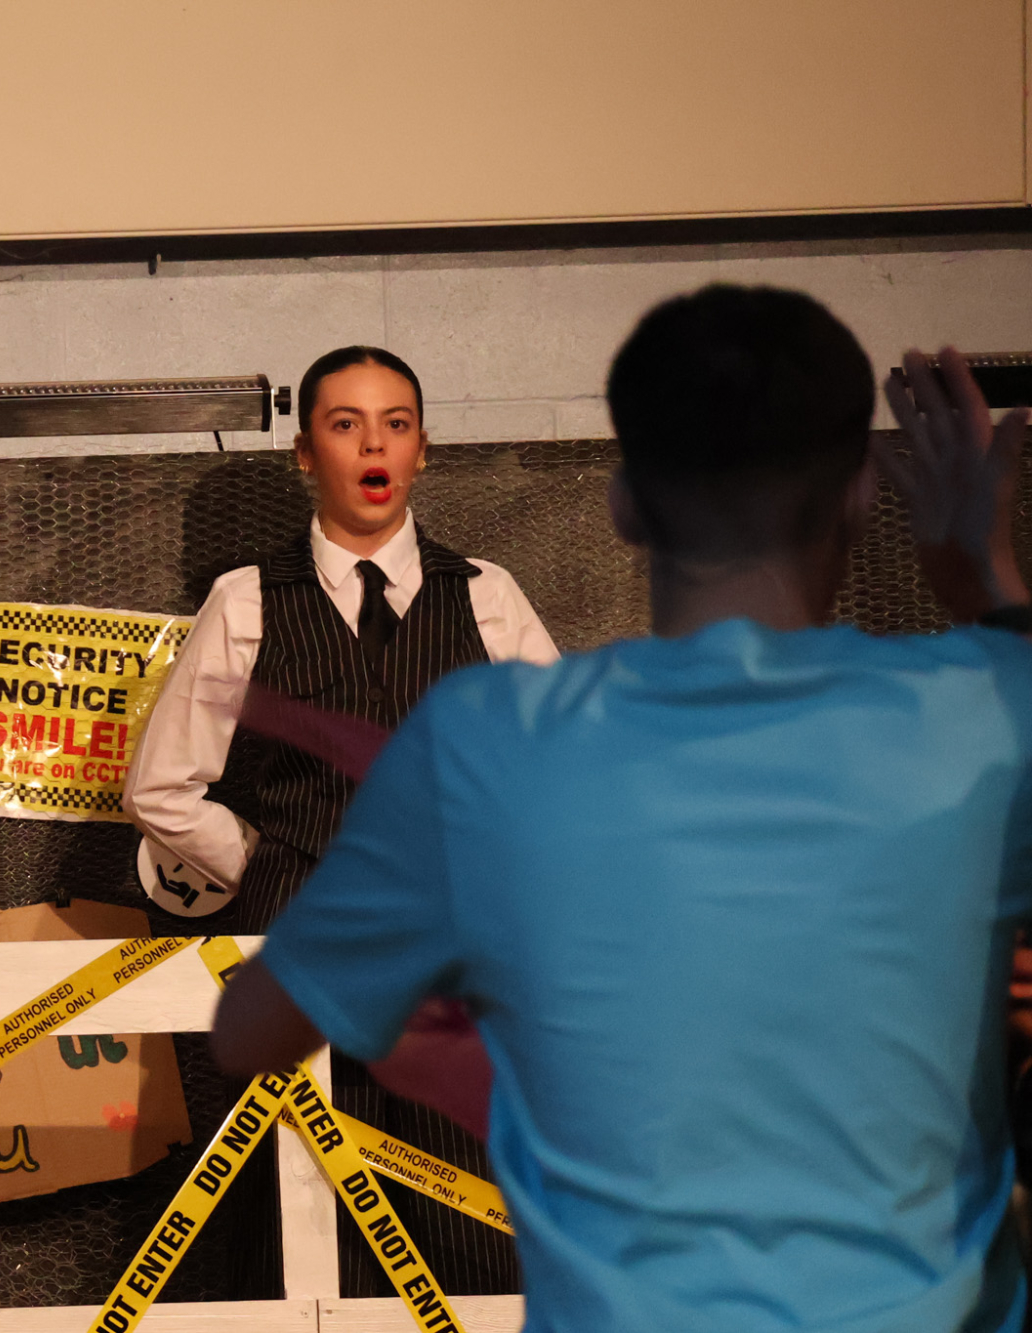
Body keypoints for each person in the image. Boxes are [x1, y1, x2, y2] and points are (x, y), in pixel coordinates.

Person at [214, 284, 1032, 1332]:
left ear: (622, 505)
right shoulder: (986, 713)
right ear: (863, 498)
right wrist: (987, 584)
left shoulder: (484, 744)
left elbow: (251, 1029)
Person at [124, 345, 556, 1297]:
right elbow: (160, 788)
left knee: (471, 1214)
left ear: (422, 450)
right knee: (298, 1213)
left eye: (395, 424)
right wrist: (269, 860)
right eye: (345, 423)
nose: (373, 445)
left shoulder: (485, 594)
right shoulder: (247, 599)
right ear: (305, 453)